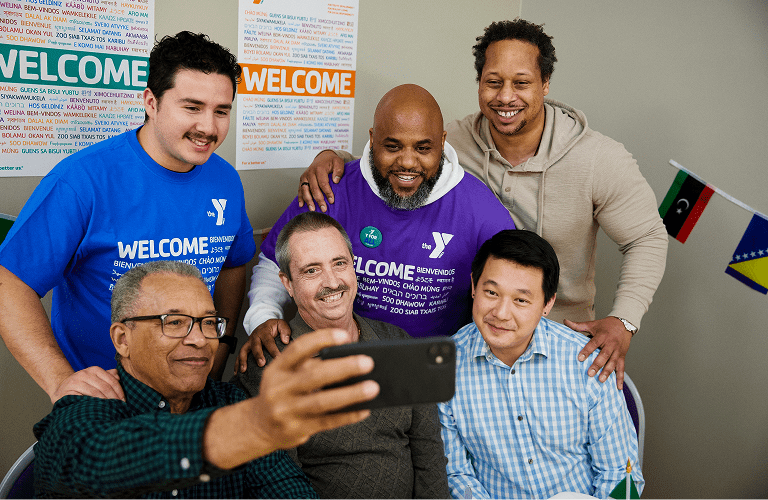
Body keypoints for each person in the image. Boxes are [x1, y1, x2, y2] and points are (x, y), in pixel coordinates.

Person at [296, 19, 667, 389]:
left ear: (546, 84)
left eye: (521, 83)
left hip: (559, 339)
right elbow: (398, 155)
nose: (506, 97)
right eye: (493, 82)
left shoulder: (599, 159)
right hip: (470, 345)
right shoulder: (453, 142)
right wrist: (333, 157)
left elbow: (647, 237)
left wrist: (625, 320)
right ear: (479, 83)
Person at [0, 31, 256, 403]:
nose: (209, 128)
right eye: (192, 107)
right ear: (151, 102)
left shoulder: (226, 179)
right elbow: (10, 283)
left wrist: (222, 347)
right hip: (108, 403)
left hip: (190, 400)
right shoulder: (82, 180)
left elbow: (234, 263)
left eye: (221, 111)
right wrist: (61, 382)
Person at [33, 260, 379, 499]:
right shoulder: (81, 413)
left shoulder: (231, 401)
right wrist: (253, 426)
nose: (200, 339)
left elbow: (286, 489)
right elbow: (104, 460)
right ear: (122, 339)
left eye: (209, 322)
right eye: (174, 322)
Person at [239, 84, 513, 370]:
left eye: (423, 148)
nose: (407, 162)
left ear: (442, 142)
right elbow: (275, 261)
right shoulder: (330, 191)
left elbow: (515, 294)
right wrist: (263, 316)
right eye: (392, 146)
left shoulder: (482, 212)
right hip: (338, 363)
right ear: (373, 138)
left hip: (434, 368)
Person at [233, 212, 450, 500]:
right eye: (311, 270)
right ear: (287, 284)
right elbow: (281, 486)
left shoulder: (400, 344)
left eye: (339, 263)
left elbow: (430, 460)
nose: (332, 281)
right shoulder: (270, 365)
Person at [439, 230, 643, 500]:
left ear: (548, 304)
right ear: (474, 287)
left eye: (521, 300)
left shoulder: (586, 361)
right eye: (491, 292)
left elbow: (621, 473)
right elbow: (456, 475)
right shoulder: (443, 367)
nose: (500, 313)